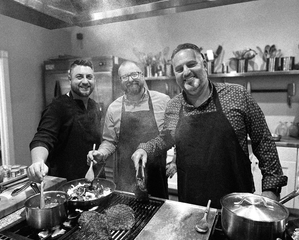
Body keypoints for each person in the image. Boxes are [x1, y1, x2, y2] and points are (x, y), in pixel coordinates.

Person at [131, 43, 288, 209]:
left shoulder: (237, 95)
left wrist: (271, 188)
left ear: (204, 65)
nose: (186, 72)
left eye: (191, 64)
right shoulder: (174, 105)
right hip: (192, 202)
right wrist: (145, 149)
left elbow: (263, 140)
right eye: (179, 69)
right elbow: (167, 138)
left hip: (237, 204)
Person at [87, 61, 176, 199]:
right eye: (125, 76)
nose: (131, 79)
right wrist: (101, 153)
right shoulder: (114, 108)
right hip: (125, 179)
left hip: (156, 176)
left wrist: (175, 160)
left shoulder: (163, 101)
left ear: (142, 75)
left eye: (134, 74)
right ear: (120, 81)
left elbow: (174, 134)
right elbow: (110, 141)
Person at [27, 59, 102, 183]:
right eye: (79, 77)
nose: (85, 81)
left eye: (89, 77)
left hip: (94, 178)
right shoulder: (57, 106)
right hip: (66, 183)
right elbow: (43, 137)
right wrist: (38, 162)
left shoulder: (95, 106)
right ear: (69, 78)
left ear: (94, 80)